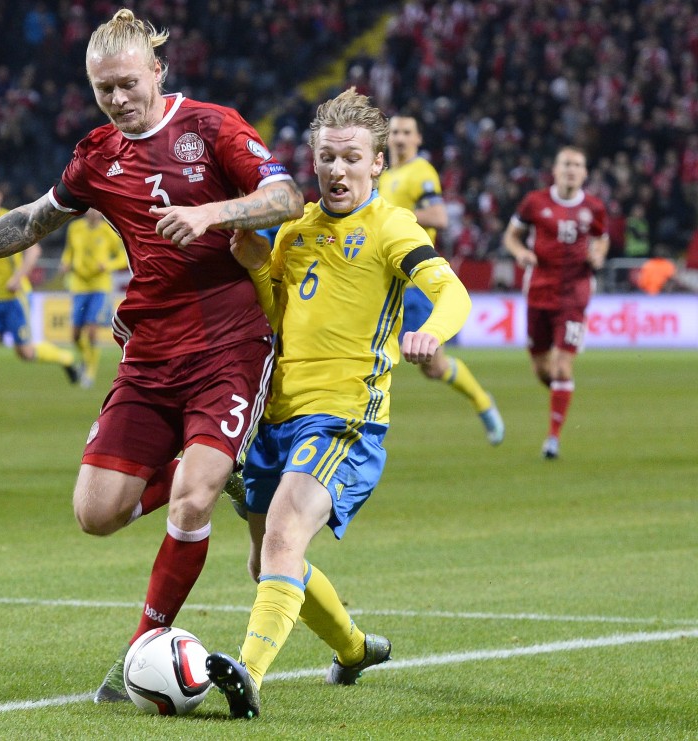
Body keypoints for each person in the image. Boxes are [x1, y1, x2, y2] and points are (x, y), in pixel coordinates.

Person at [0, 8, 303, 703]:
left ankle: (142, 645)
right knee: (97, 513)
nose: (116, 97)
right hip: (148, 352)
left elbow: (286, 195)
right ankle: (220, 468)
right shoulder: (98, 155)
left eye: (127, 83)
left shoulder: (213, 127)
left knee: (192, 497)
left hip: (231, 344)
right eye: (102, 87)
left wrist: (210, 214)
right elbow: (30, 221)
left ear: (157, 72)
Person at [204, 89, 472, 720]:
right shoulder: (294, 232)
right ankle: (353, 649)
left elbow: (450, 289)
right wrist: (254, 269)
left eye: (352, 157)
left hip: (345, 417)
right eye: (327, 157)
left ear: (377, 163)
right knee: (268, 559)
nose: (337, 170)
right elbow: (278, 317)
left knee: (282, 537)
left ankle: (250, 677)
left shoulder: (393, 227)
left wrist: (435, 329)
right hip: (274, 418)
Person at [378, 113, 504, 445]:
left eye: (407, 132)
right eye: (395, 132)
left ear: (418, 139)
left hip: (415, 281)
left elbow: (439, 216)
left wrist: (395, 215)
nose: (400, 137)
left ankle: (482, 401)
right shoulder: (384, 176)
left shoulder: (421, 172)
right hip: (381, 280)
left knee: (433, 367)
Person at [503, 145, 609, 460]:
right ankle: (563, 394)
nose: (571, 170)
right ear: (555, 169)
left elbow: (602, 237)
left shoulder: (594, 208)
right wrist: (520, 252)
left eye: (577, 165)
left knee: (562, 367)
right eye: (566, 164)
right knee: (542, 368)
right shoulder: (534, 202)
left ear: (585, 173)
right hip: (539, 291)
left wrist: (598, 255)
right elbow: (511, 235)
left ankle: (553, 438)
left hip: (575, 295)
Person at [0, 176, 82, 417]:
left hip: (15, 297)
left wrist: (18, 277)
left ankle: (66, 358)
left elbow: (33, 252)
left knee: (25, 353)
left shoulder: (11, 219)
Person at [59, 207, 128, 388]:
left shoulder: (108, 231)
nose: (91, 212)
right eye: (88, 209)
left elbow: (123, 256)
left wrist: (109, 264)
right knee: (74, 335)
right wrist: (65, 263)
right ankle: (85, 359)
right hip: (79, 285)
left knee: (91, 331)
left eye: (95, 209)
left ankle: (89, 370)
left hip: (100, 286)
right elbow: (69, 251)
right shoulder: (75, 229)